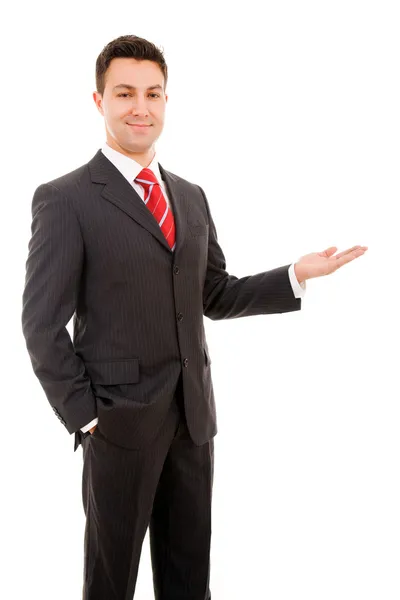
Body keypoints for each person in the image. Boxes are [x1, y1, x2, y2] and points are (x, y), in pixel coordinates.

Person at [21, 34, 367, 600]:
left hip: (193, 419)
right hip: (118, 425)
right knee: (110, 583)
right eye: (125, 93)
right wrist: (87, 418)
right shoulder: (67, 199)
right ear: (99, 101)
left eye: (153, 94)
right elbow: (40, 325)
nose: (141, 107)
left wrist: (295, 275)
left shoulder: (190, 195)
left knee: (189, 582)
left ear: (165, 101)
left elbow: (215, 294)